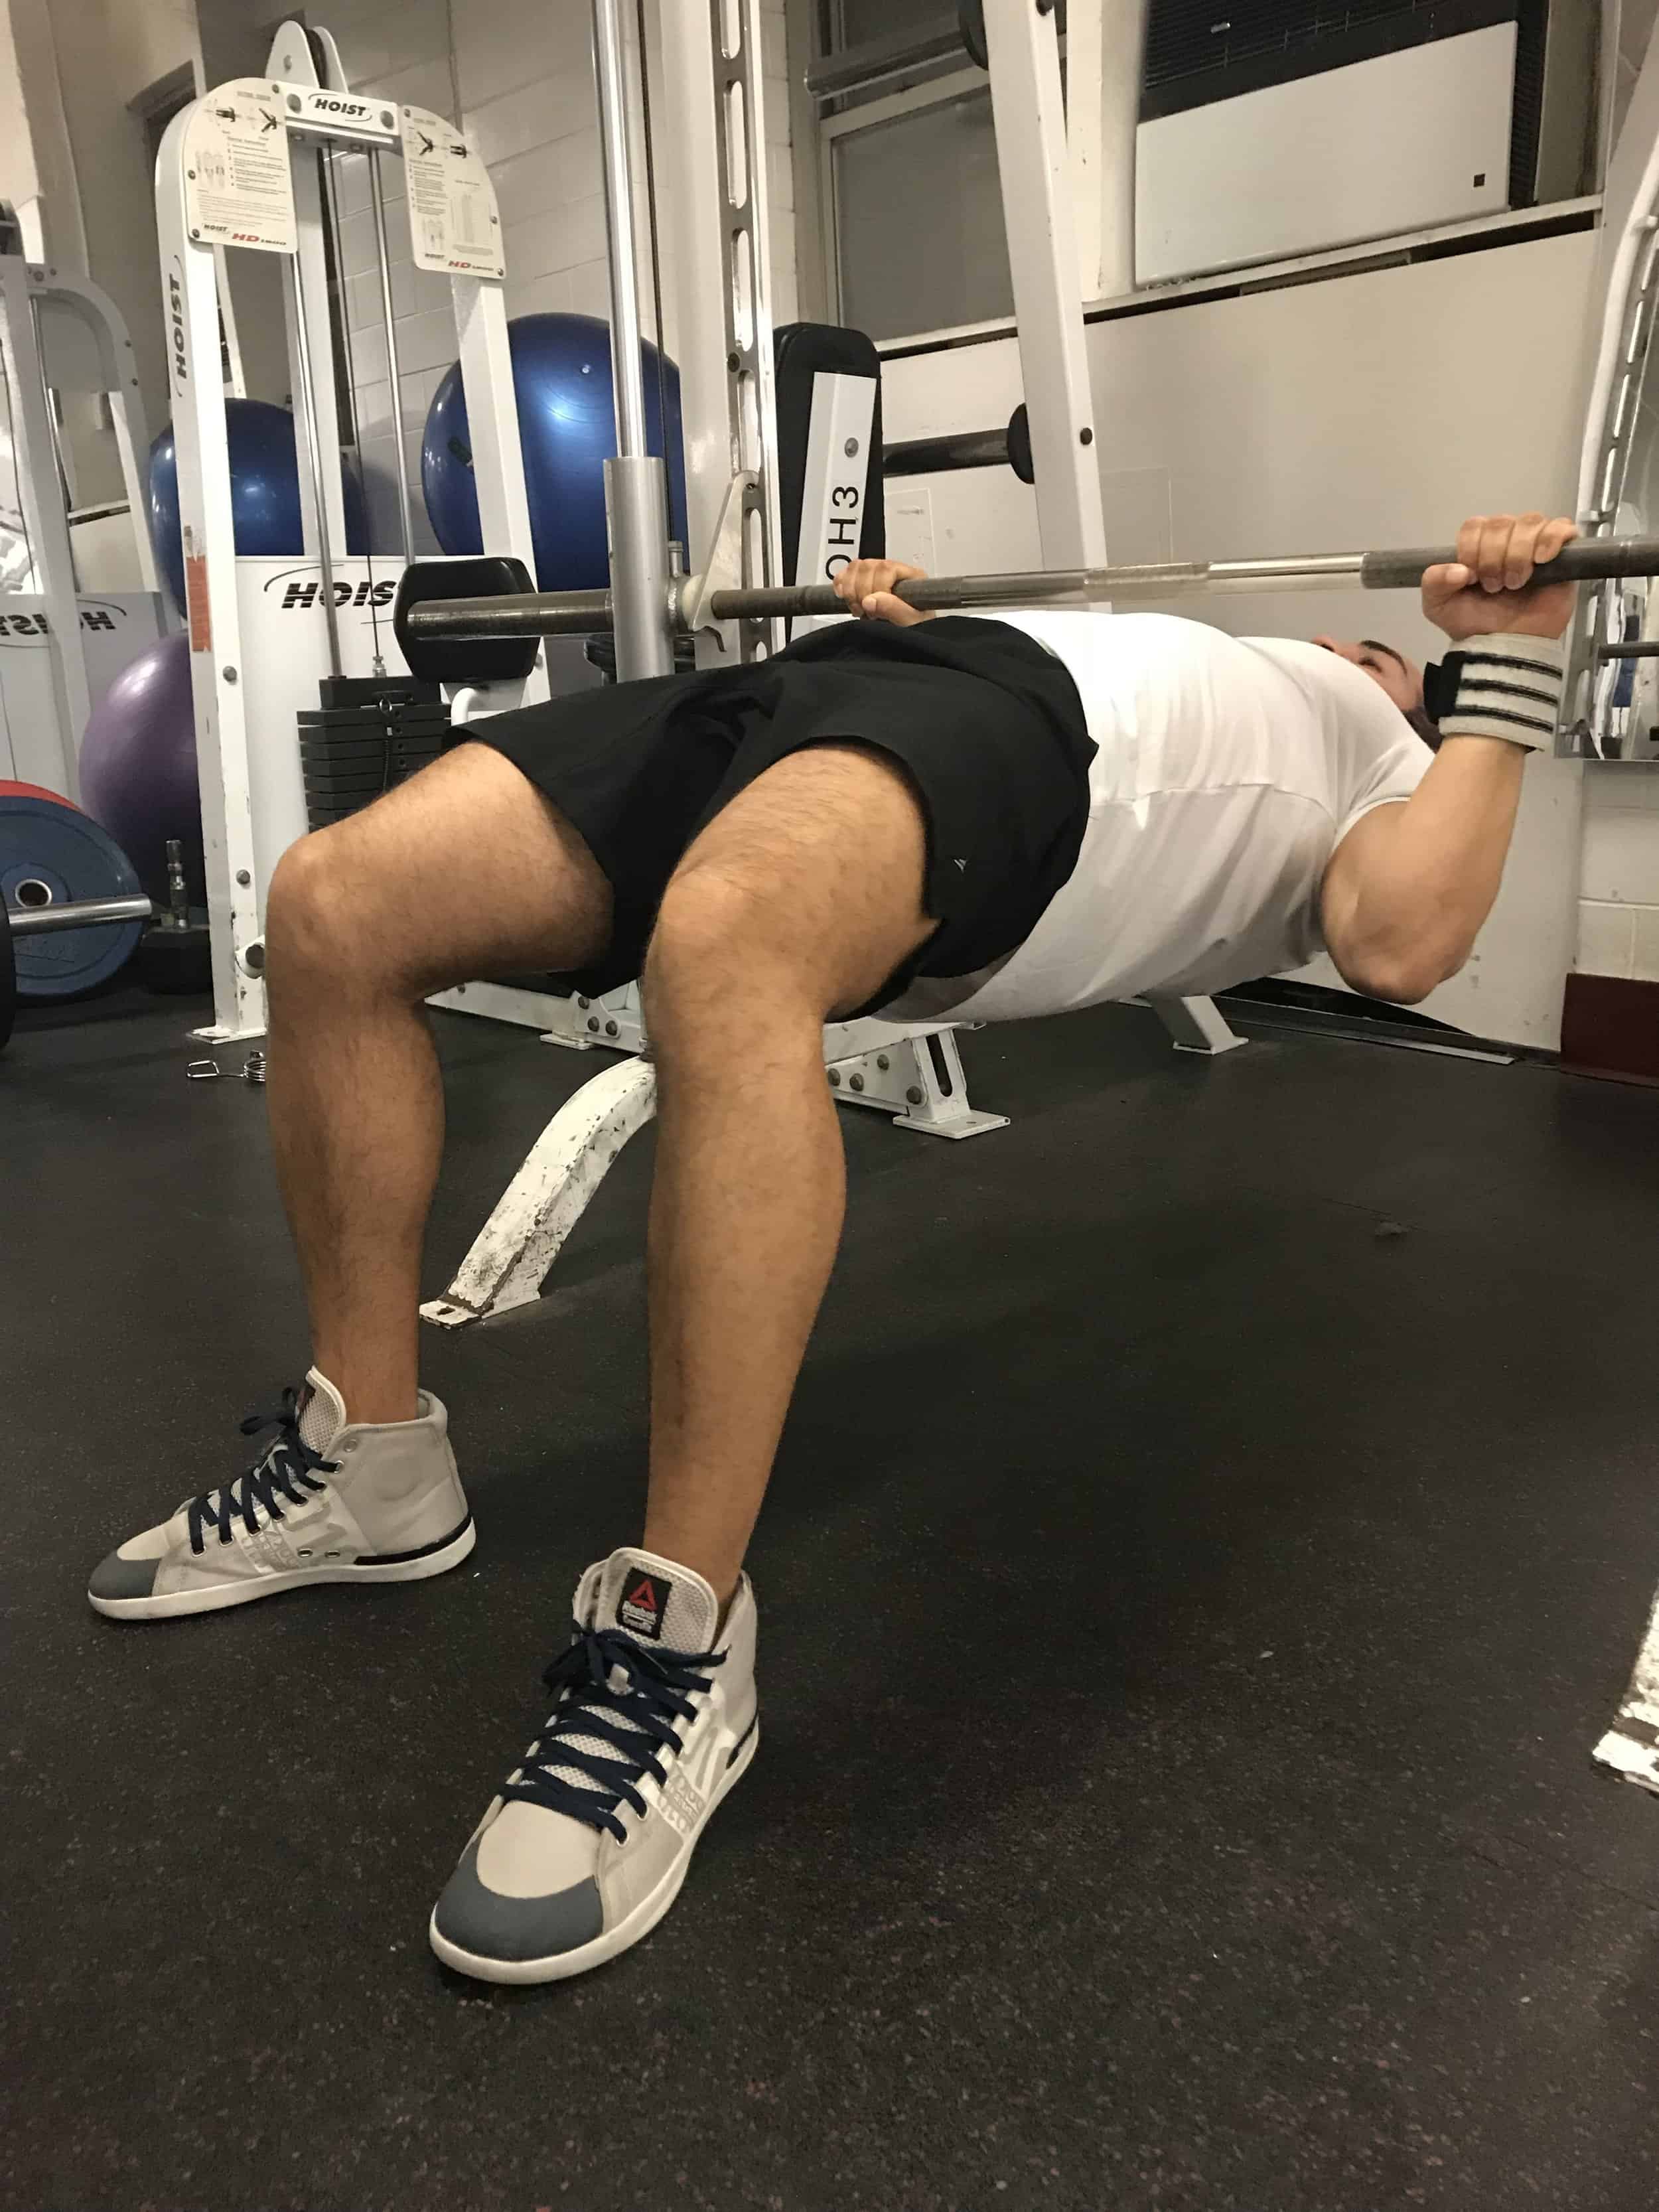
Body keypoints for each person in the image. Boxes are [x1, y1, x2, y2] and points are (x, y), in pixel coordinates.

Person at [88, 510, 1578, 1984]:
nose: (1343, 646)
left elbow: (1400, 939)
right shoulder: (1211, 648)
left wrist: (1500, 661)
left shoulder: (1391, 764)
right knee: (334, 899)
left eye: (1379, 652)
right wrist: (900, 614)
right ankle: (372, 1466)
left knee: (727, 940)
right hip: (863, 683)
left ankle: (676, 1645)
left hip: (1043, 744)